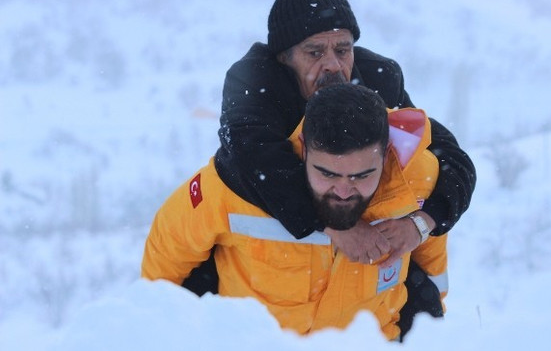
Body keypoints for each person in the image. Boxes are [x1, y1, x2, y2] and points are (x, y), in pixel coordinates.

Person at [193, 0, 476, 335]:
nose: (333, 64)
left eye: (342, 50)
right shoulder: (254, 83)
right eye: (314, 52)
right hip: (264, 263)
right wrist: (337, 226)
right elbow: (256, 163)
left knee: (423, 307)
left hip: (369, 267)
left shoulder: (377, 81)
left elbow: (451, 159)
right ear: (284, 57)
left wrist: (420, 224)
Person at [142, 83, 448, 341]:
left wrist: (420, 227)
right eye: (327, 174)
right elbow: (166, 256)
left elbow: (435, 279)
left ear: (386, 154)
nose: (343, 191)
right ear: (303, 147)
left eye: (361, 176)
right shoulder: (238, 187)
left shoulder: (416, 181)